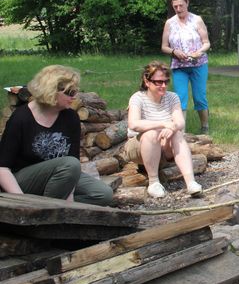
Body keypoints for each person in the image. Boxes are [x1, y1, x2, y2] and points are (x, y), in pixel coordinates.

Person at [0, 65, 113, 206]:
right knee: (68, 165)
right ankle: (48, 211)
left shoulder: (71, 117)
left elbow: (74, 161)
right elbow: (2, 168)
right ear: (52, 91)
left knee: (103, 194)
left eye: (76, 91)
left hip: (61, 177)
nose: (74, 97)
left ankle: (54, 206)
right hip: (23, 180)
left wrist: (69, 197)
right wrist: (22, 202)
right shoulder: (21, 118)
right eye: (70, 92)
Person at [125, 61, 203, 198]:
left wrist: (172, 127)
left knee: (177, 134)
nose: (163, 86)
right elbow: (134, 124)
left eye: (166, 82)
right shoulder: (137, 98)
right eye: (158, 82)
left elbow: (179, 121)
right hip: (138, 146)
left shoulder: (172, 97)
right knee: (151, 134)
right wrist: (163, 124)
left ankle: (191, 182)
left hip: (163, 147)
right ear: (147, 81)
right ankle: (154, 182)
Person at [161, 0, 211, 134]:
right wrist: (174, 52)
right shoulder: (169, 23)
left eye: (181, 5)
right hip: (179, 67)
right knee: (180, 98)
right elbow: (164, 46)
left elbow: (206, 43)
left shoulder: (197, 20)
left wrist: (198, 53)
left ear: (187, 3)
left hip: (198, 65)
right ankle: (181, 132)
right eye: (175, 6)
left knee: (199, 97)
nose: (178, 9)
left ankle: (205, 128)